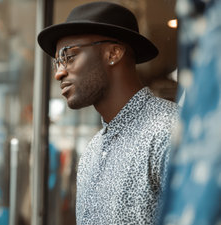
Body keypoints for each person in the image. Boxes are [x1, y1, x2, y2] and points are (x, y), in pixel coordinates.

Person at [37, 1, 178, 224]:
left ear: (113, 53)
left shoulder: (169, 131)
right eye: (57, 62)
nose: (59, 73)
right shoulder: (92, 152)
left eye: (69, 56)